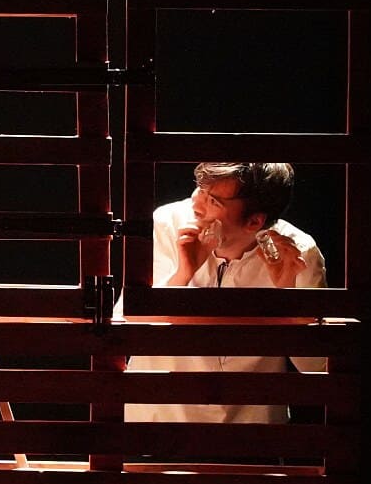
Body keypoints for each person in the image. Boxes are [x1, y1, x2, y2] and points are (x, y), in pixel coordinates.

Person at [125, 161, 327, 428]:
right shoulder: (168, 223)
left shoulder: (298, 251)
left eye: (213, 201)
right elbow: (125, 326)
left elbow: (317, 366)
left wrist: (287, 298)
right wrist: (183, 274)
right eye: (199, 189)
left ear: (254, 221)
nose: (196, 204)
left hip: (251, 426)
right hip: (158, 418)